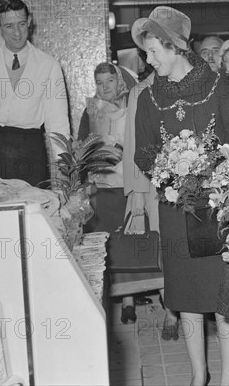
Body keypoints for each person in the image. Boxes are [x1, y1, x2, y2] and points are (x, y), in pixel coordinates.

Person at [132, 6, 229, 386]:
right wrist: (166, 171)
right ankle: (199, 375)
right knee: (184, 296)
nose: (149, 61)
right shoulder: (149, 97)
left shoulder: (217, 86)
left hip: (216, 206)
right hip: (175, 209)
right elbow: (143, 151)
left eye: (154, 52)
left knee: (222, 294)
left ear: (175, 47)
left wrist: (209, 166)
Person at [0, 0, 69, 186]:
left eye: (21, 24)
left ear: (30, 21)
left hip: (31, 152)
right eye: (9, 26)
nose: (17, 33)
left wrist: (66, 166)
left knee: (34, 211)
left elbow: (57, 124)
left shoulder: (49, 65)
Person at [77, 62, 137, 323]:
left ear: (119, 81)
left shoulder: (132, 106)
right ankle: (104, 300)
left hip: (130, 183)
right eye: (99, 83)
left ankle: (129, 299)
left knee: (129, 240)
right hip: (102, 186)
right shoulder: (91, 111)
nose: (105, 88)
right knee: (106, 242)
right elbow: (81, 145)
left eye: (109, 81)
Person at [123, 68, 180, 339]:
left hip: (187, 181)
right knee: (159, 248)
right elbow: (133, 141)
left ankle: (185, 305)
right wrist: (136, 189)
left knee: (180, 250)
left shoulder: (189, 83)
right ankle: (170, 309)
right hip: (152, 185)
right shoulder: (140, 91)